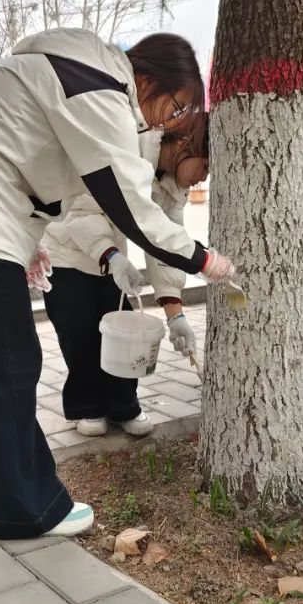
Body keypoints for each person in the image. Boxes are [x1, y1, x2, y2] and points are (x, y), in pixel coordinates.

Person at [0, 29, 235, 540]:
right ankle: (29, 507)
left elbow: (35, 164)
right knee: (8, 359)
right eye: (177, 106)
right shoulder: (100, 89)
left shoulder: (85, 76)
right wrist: (205, 260)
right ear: (149, 78)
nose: (170, 120)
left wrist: (29, 244)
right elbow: (129, 205)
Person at [37, 115, 211, 437]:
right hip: (66, 249)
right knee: (81, 331)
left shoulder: (172, 187)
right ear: (185, 146)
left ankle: (123, 405)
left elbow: (167, 243)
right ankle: (86, 406)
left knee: (123, 331)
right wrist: (112, 255)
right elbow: (81, 212)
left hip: (108, 256)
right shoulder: (123, 147)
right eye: (204, 167)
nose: (202, 179)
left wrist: (176, 314)